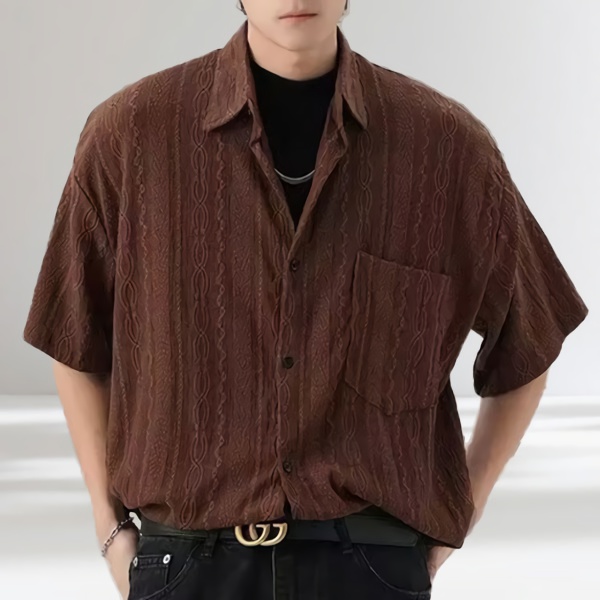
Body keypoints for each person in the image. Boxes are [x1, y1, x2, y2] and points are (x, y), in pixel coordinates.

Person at [23, 1, 589, 599]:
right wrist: (109, 525)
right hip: (187, 564)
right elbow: (74, 336)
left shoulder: (446, 148)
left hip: (370, 564)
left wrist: (463, 511)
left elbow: (531, 338)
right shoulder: (131, 136)